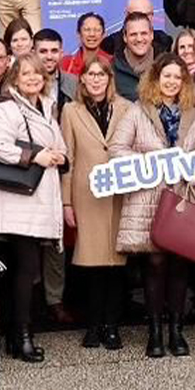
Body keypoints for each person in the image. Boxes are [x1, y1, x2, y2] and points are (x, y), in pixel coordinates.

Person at [110, 54, 195, 358]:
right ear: (156, 78)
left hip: (182, 197)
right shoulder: (138, 111)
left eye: (178, 77)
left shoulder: (193, 114)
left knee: (179, 264)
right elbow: (116, 149)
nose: (172, 81)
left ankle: (176, 331)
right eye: (167, 76)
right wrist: (150, 162)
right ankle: (154, 333)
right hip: (148, 197)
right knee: (154, 264)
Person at [61, 59, 131, 349]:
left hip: (118, 195)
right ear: (82, 79)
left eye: (101, 74)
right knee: (91, 265)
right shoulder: (70, 110)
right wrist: (66, 203)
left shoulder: (126, 108)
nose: (96, 79)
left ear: (109, 78)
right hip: (86, 195)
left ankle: (111, 326)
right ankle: (93, 326)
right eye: (91, 74)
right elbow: (68, 158)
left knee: (116, 265)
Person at [112, 11, 159, 101]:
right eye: (133, 34)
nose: (139, 39)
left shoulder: (165, 66)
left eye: (144, 33)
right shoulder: (112, 70)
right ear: (125, 37)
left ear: (152, 35)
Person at [61, 13, 113, 77]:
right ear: (78, 34)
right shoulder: (66, 63)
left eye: (97, 30)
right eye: (87, 30)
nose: (92, 34)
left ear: (104, 34)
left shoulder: (111, 62)